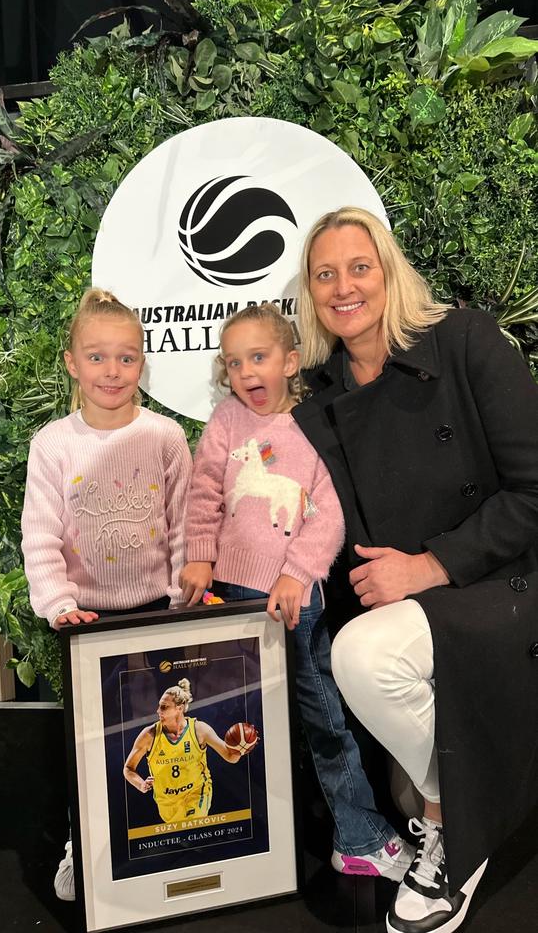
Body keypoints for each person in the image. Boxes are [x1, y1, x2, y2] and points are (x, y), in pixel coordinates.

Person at [293, 205, 538, 933]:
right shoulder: (318, 400)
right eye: (325, 274)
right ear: (310, 293)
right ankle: (454, 804)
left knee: (363, 654)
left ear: (391, 272)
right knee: (357, 654)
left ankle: (451, 826)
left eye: (359, 267)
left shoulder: (465, 342)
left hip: (509, 579)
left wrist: (433, 564)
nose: (344, 287)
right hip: (414, 605)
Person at [179, 303, 415, 880]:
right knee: (234, 716)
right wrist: (199, 555)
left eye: (258, 357)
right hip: (229, 594)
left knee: (324, 716)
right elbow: (205, 491)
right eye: (233, 363)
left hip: (294, 601)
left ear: (289, 361)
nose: (246, 373)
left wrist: (298, 572)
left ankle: (357, 834)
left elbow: (331, 512)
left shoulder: (316, 423)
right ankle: (235, 834)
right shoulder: (227, 424)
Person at [21, 287, 192, 901]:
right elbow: (39, 534)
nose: (111, 371)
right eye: (97, 357)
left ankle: (161, 842)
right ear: (71, 362)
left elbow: (183, 524)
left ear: (142, 364)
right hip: (84, 625)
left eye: (125, 358)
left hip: (155, 617)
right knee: (92, 744)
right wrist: (59, 602)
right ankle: (85, 843)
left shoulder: (167, 436)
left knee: (160, 732)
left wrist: (180, 599)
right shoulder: (53, 444)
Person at [123, 678, 256, 823]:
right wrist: (141, 784)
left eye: (164, 707)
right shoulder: (149, 735)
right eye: (159, 706)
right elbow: (128, 768)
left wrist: (241, 747)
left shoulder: (200, 730)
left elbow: (230, 756)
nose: (158, 711)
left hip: (197, 792)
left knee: (194, 827)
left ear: (179, 708)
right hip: (166, 801)